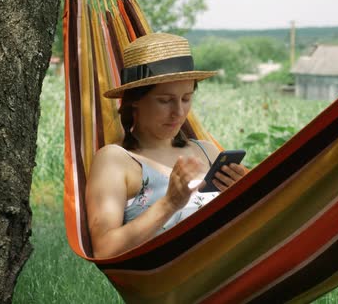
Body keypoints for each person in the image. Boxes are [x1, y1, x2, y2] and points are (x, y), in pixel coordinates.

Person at [85, 33, 248, 258]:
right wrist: (169, 204)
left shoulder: (207, 151)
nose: (179, 113)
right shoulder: (115, 160)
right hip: (171, 282)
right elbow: (104, 249)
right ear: (134, 100)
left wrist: (243, 195)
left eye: (186, 98)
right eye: (165, 100)